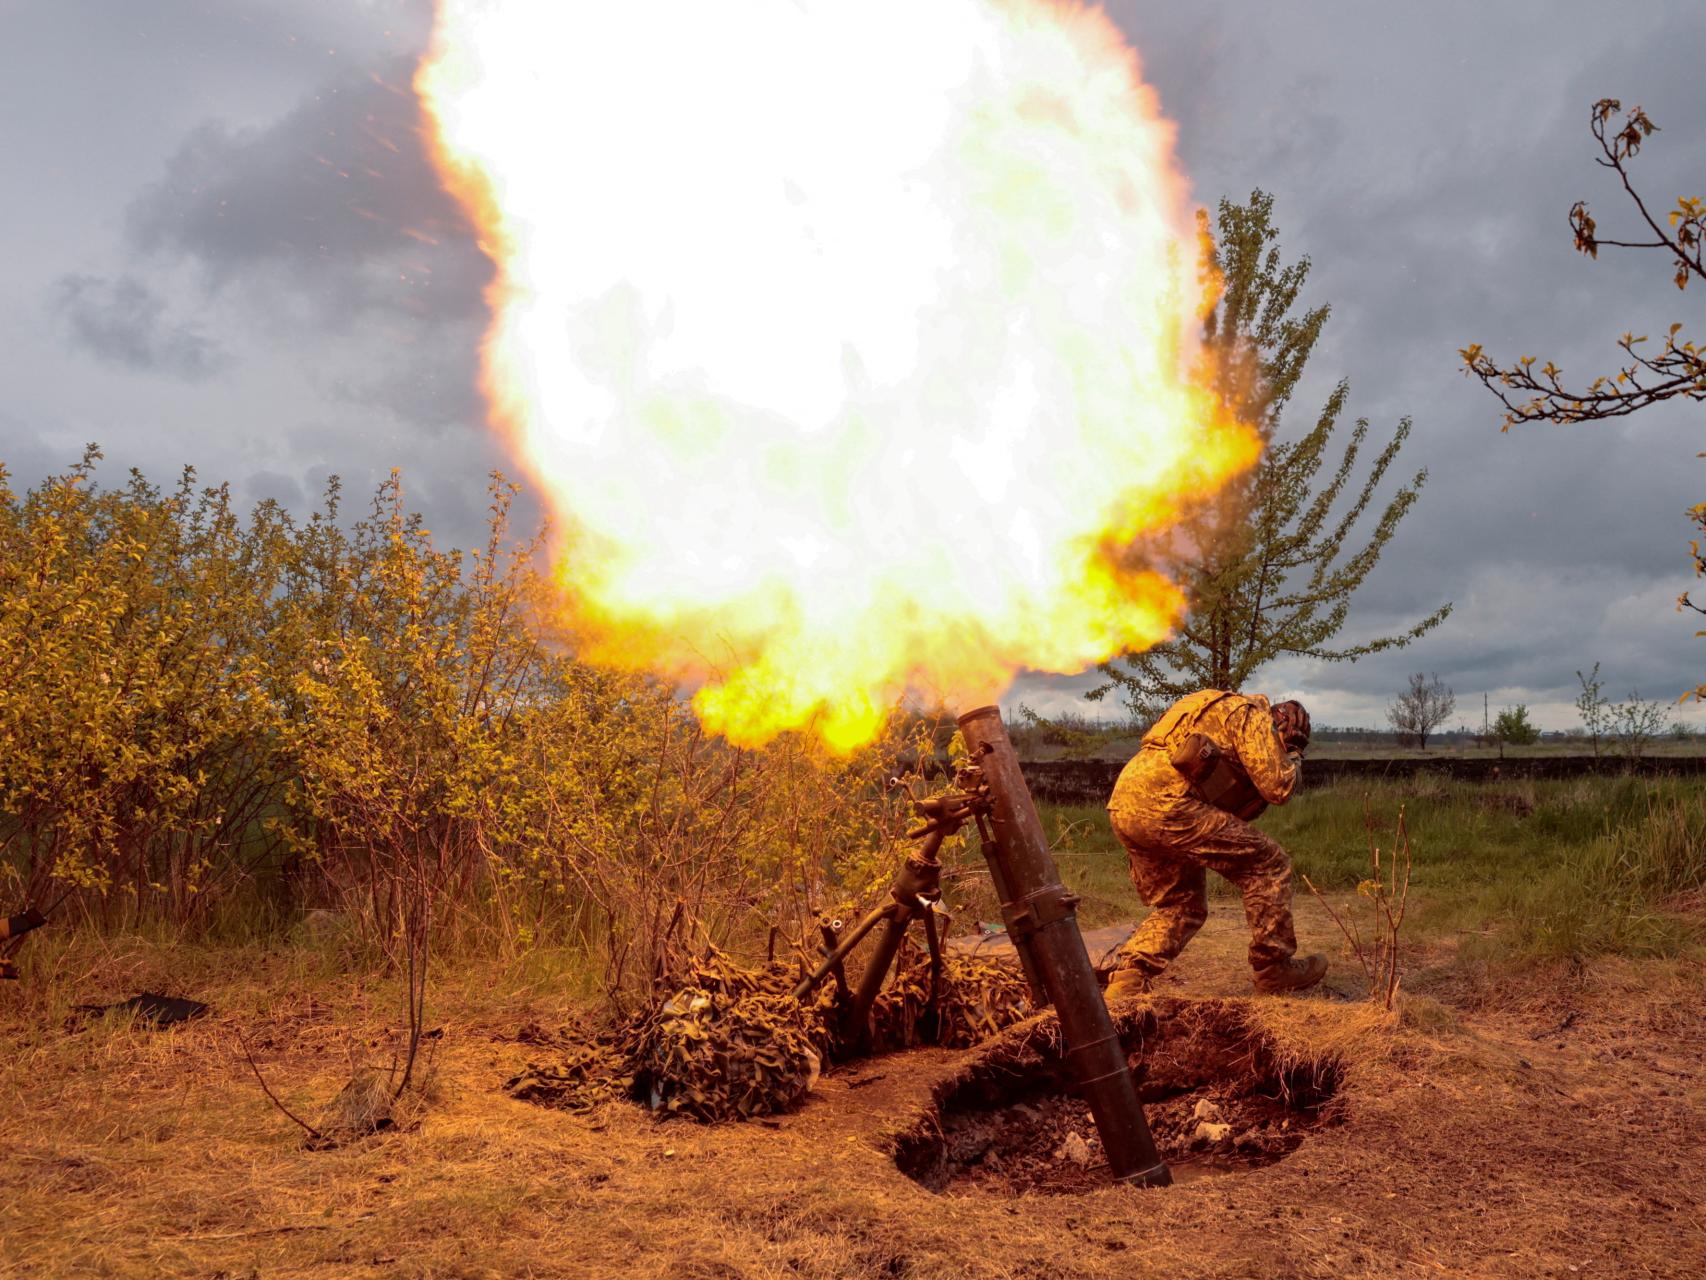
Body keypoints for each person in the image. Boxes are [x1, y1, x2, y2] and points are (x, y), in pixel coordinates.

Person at [1103, 690, 1326, 999]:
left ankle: (1128, 978)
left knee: (1182, 904)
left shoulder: (1207, 708)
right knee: (1268, 864)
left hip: (1125, 803)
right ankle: (1274, 968)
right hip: (1170, 804)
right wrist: (1293, 753)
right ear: (1279, 726)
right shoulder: (1251, 715)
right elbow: (1279, 787)